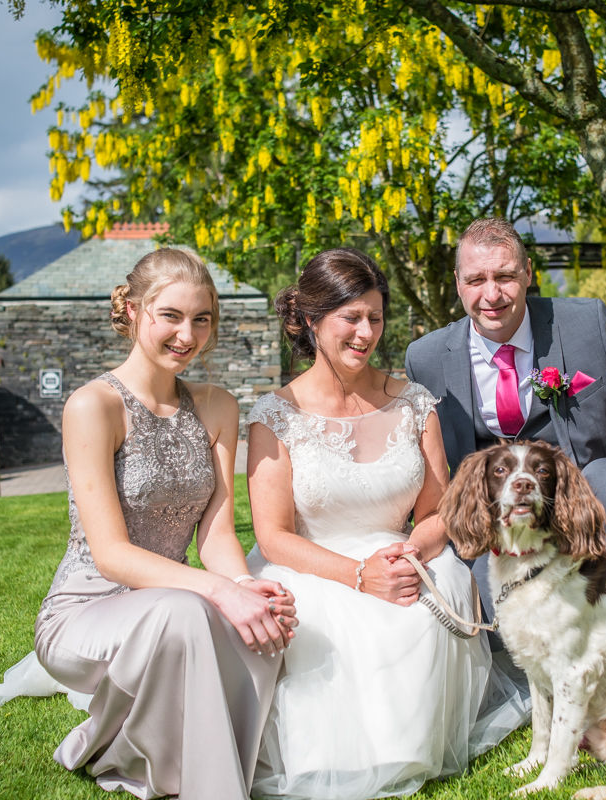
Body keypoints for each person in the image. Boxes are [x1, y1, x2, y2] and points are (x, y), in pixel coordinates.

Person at [0, 248, 297, 800]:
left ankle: (208, 765)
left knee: (260, 627)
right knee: (187, 610)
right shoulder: (92, 406)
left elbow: (216, 531)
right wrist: (220, 592)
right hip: (86, 611)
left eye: (202, 318)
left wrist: (244, 587)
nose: (187, 335)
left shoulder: (217, 406)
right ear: (134, 309)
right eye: (170, 315)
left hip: (177, 604)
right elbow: (111, 555)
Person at [245, 248, 529, 800]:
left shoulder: (414, 403)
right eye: (350, 318)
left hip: (404, 554)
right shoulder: (275, 416)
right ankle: (334, 755)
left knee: (438, 590)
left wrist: (413, 553)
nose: (365, 332)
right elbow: (273, 535)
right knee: (335, 622)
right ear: (309, 320)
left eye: (374, 318)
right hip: (315, 563)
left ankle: (412, 745)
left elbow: (437, 508)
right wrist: (358, 574)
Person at [405, 217, 606, 615]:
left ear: (529, 272)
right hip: (493, 513)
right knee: (501, 617)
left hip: (583, 496)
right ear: (457, 283)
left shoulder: (584, 324)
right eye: (475, 280)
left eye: (505, 276)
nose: (492, 294)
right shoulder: (426, 358)